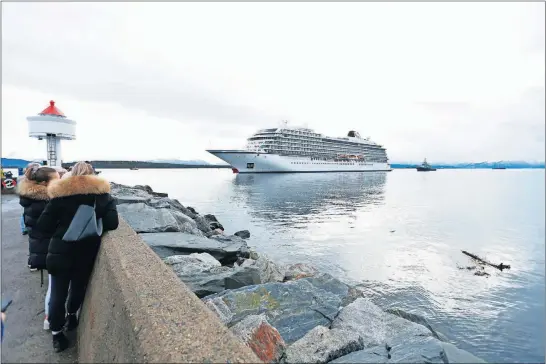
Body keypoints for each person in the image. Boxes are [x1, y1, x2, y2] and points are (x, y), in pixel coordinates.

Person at [36, 161, 118, 352]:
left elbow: (43, 226)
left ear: (71, 174)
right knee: (78, 288)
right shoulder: (103, 196)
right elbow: (112, 223)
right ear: (93, 175)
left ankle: (57, 335)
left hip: (59, 251)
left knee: (57, 294)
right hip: (85, 252)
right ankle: (72, 316)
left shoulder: (60, 195)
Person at [17, 165, 60, 329]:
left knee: (53, 287)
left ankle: (50, 318)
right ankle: (50, 320)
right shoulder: (45, 202)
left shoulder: (31, 199)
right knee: (55, 288)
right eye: (56, 180)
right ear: (43, 183)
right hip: (49, 249)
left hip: (40, 248)